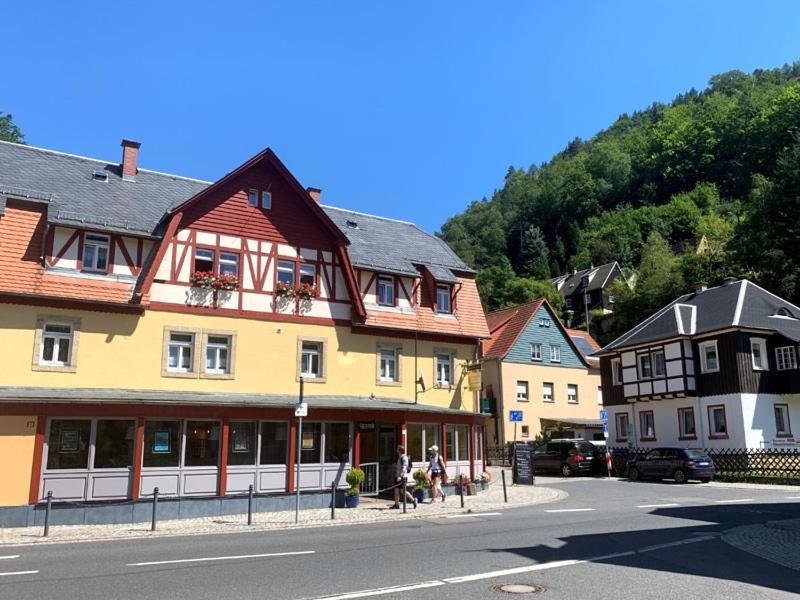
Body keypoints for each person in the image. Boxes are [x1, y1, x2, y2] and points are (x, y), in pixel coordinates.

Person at [392, 445, 417, 509]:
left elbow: (404, 468)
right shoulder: (399, 457)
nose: (396, 450)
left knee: (403, 491)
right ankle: (396, 504)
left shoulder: (404, 458)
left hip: (402, 477)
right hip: (397, 476)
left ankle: (413, 500)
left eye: (397, 449)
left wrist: (400, 476)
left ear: (399, 450)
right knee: (396, 491)